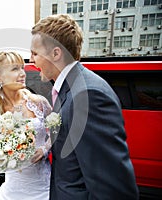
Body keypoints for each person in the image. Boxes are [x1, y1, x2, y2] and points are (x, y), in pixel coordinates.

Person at [30, 14, 139, 199]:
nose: (32, 60)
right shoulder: (71, 87)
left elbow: (113, 190)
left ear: (56, 53)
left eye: (35, 53)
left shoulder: (88, 97)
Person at [0, 51, 52, 200]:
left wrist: (45, 148)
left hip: (43, 186)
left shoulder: (38, 102)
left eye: (22, 67)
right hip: (13, 188)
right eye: (15, 69)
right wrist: (0, 157)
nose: (23, 73)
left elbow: (59, 129)